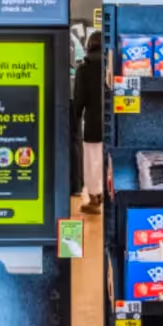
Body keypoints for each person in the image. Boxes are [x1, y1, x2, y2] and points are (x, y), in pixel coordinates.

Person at [70, 31, 104, 214]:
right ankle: (107, 194)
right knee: (108, 161)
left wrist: (73, 118)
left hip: (92, 123)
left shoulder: (84, 68)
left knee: (92, 161)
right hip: (112, 122)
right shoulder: (110, 66)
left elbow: (79, 99)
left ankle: (94, 199)